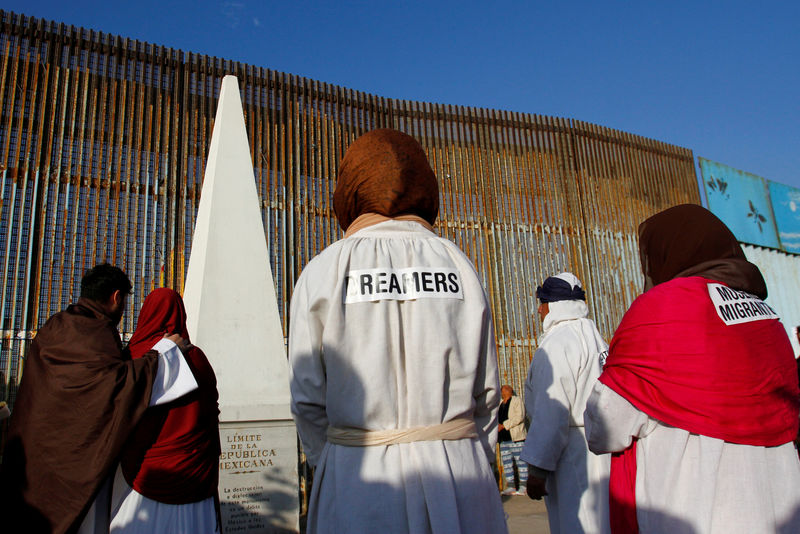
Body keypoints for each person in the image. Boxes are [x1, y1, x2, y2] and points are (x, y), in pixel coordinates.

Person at [289, 128, 507, 534]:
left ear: (349, 187)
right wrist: (467, 455)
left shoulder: (323, 272)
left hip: (358, 482)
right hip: (459, 480)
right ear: (425, 183)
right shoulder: (459, 266)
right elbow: (487, 393)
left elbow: (306, 398)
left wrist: (329, 461)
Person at [584, 204, 800, 534]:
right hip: (776, 507)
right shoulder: (768, 317)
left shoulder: (661, 307)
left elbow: (606, 426)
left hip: (693, 510)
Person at [0, 264, 198, 534]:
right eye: (125, 302)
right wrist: (163, 353)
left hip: (35, 452)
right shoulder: (97, 332)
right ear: (116, 297)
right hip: (74, 462)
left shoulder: (55, 325)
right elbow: (112, 388)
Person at [110, 288, 221, 533]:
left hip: (141, 479)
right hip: (194, 477)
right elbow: (211, 411)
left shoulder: (131, 359)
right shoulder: (197, 358)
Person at [520, 272, 610, 534]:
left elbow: (553, 411)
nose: (539, 309)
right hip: (601, 450)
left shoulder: (558, 342)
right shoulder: (594, 336)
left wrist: (538, 470)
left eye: (542, 302)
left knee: (577, 522)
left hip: (572, 455)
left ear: (554, 304)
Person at [498, 384, 528, 496]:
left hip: (516, 437)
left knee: (521, 462)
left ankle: (524, 486)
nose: (506, 389)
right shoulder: (500, 403)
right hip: (504, 439)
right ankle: (511, 486)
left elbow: (519, 416)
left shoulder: (516, 400)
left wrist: (504, 425)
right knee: (507, 463)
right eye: (504, 389)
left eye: (508, 388)